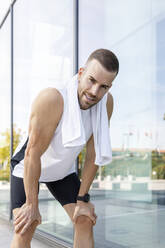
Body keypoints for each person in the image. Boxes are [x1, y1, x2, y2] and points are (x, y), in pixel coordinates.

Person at [10, 48, 119, 248]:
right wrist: (32, 205)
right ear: (80, 73)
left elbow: (93, 154)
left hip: (62, 171)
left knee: (84, 219)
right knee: (27, 224)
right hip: (28, 167)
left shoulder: (106, 104)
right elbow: (32, 153)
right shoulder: (53, 98)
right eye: (91, 80)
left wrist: (82, 199)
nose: (95, 92)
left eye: (104, 86)